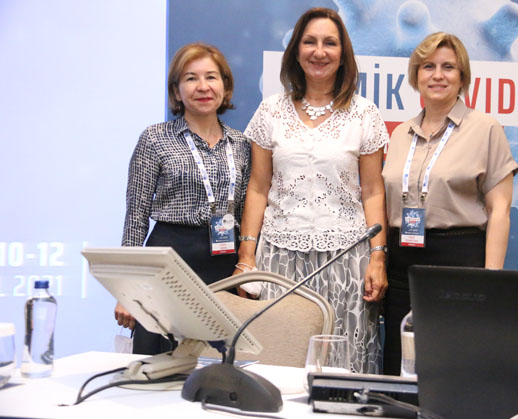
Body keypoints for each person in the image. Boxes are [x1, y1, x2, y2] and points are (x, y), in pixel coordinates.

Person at [236, 7, 389, 374]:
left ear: (343, 54)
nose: (319, 52)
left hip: (346, 261)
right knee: (278, 362)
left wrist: (378, 257)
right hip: (279, 260)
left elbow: (373, 191)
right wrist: (246, 256)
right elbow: (258, 188)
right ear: (296, 51)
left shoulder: (364, 114)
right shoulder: (271, 111)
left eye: (329, 43)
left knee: (342, 366)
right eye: (310, 42)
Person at [381, 32, 518, 375]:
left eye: (448, 67)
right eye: (428, 66)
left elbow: (500, 210)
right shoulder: (400, 133)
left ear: (462, 77)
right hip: (402, 266)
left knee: (454, 368)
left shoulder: (486, 128)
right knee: (399, 365)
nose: (438, 75)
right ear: (416, 75)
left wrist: (491, 279)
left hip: (459, 263)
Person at [114, 43, 251, 355]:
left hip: (224, 261)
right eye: (191, 78)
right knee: (159, 361)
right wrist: (127, 289)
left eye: (211, 77)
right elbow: (135, 219)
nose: (202, 87)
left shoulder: (242, 144)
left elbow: (245, 211)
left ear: (225, 87)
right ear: (176, 91)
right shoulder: (154, 138)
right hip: (169, 259)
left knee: (219, 365)